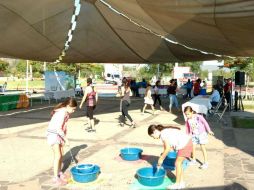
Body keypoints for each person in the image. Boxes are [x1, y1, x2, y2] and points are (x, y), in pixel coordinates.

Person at [148, 124, 192, 189]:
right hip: (187, 142)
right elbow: (166, 147)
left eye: (152, 136)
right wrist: (163, 155)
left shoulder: (163, 134)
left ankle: (177, 184)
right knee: (179, 164)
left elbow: (167, 148)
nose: (154, 138)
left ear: (155, 132)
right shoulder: (163, 132)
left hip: (185, 144)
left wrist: (161, 158)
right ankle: (181, 183)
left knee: (177, 163)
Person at [46, 98, 77, 185]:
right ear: (68, 106)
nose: (73, 111)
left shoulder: (66, 112)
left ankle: (59, 172)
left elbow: (64, 127)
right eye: (73, 109)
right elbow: (58, 128)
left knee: (61, 154)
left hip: (58, 135)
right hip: (53, 134)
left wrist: (63, 138)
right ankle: (55, 177)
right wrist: (66, 139)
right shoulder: (61, 113)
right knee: (58, 155)